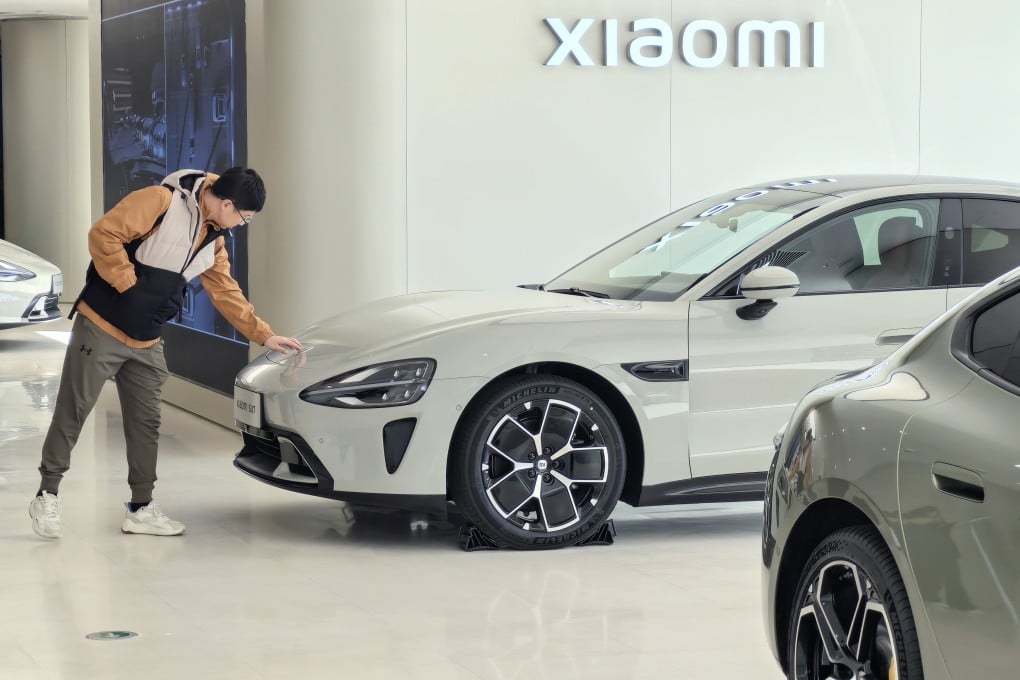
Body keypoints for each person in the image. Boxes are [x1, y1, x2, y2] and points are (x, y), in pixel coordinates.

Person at [29, 167, 303, 539]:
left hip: (146, 341)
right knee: (73, 410)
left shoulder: (214, 241)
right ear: (226, 203)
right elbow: (103, 234)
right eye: (243, 217)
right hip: (101, 327)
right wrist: (129, 284)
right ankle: (47, 493)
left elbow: (226, 292)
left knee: (146, 424)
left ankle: (140, 508)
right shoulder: (160, 201)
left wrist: (264, 335)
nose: (240, 225)